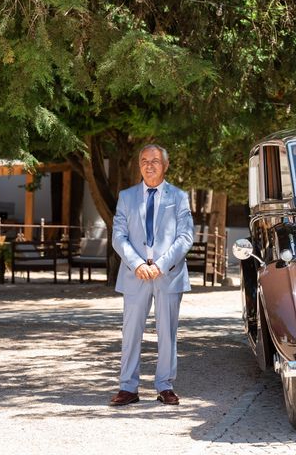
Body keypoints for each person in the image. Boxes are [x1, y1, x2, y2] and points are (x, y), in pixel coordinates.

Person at [109, 144, 194, 407]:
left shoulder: (179, 197)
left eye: (155, 160)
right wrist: (137, 264)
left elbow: (185, 237)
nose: (149, 165)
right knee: (130, 332)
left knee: (167, 332)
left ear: (165, 165)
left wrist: (161, 264)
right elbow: (118, 236)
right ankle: (128, 388)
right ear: (139, 165)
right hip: (135, 274)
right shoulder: (127, 196)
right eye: (144, 161)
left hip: (168, 273)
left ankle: (165, 386)